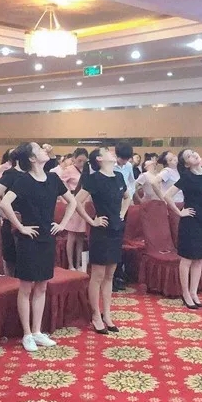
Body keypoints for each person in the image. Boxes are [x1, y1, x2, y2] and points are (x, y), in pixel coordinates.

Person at [0, 142, 77, 352]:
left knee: (42, 286)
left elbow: (72, 202)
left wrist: (62, 224)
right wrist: (20, 227)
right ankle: (27, 334)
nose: (45, 150)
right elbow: (4, 203)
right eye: (39, 149)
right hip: (29, 239)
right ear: (32, 158)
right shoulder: (23, 180)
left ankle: (37, 331)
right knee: (26, 288)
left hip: (47, 238)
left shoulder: (53, 178)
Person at [73, 148, 130, 334]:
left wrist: (122, 213)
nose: (111, 152)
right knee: (97, 275)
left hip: (116, 229)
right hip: (101, 231)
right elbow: (76, 201)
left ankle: (107, 313)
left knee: (110, 275)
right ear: (99, 158)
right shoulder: (94, 179)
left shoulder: (119, 176)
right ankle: (96, 314)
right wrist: (91, 221)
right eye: (107, 151)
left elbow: (127, 197)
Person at [162, 149, 202, 309]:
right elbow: (167, 196)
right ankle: (185, 293)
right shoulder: (186, 177)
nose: (194, 155)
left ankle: (194, 292)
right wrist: (180, 212)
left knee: (199, 258)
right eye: (189, 156)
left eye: (193, 152)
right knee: (187, 259)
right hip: (190, 220)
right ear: (186, 164)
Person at [0, 150, 23, 277]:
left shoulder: (32, 174)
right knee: (11, 257)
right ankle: (11, 281)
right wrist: (4, 213)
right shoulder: (10, 173)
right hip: (13, 219)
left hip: (28, 219)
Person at [112, 142, 136, 291]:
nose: (124, 162)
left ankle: (119, 274)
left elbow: (131, 182)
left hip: (124, 205)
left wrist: (130, 196)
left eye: (127, 159)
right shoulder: (111, 166)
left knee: (120, 239)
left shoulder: (128, 166)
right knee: (112, 241)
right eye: (122, 158)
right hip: (111, 205)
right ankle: (113, 276)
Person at [60, 148, 89, 271]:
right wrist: (66, 199)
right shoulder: (69, 170)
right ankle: (71, 265)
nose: (81, 163)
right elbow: (60, 185)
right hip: (73, 201)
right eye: (79, 160)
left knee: (81, 236)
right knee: (71, 235)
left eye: (84, 161)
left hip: (84, 203)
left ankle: (79, 264)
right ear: (74, 159)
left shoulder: (88, 170)